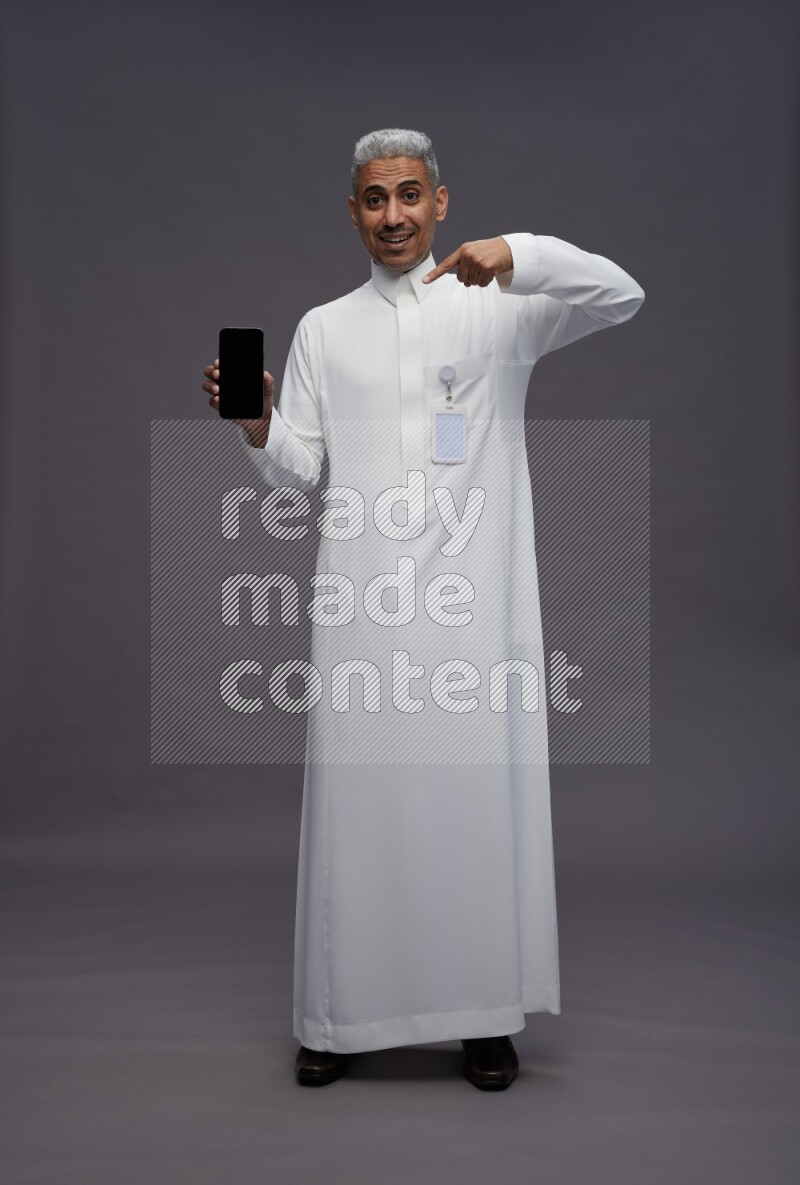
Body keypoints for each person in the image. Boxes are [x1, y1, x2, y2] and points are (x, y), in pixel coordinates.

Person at [202, 128, 644, 1090]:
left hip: (475, 610)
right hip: (362, 605)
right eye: (374, 199)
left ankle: (483, 1018)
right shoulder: (326, 327)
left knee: (471, 805)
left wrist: (521, 254)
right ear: (353, 212)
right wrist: (256, 424)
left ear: (441, 204)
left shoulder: (503, 308)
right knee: (358, 813)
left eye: (410, 195)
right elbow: (300, 471)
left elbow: (621, 293)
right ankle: (337, 1019)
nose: (394, 216)